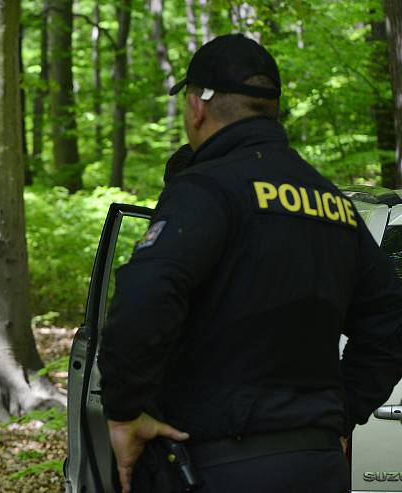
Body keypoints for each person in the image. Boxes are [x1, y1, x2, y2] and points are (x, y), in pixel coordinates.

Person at [98, 34, 402, 493]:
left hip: (217, 465)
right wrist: (338, 414)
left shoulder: (205, 190)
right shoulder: (333, 203)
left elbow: (144, 297)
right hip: (318, 466)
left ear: (197, 107)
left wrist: (124, 412)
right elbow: (391, 320)